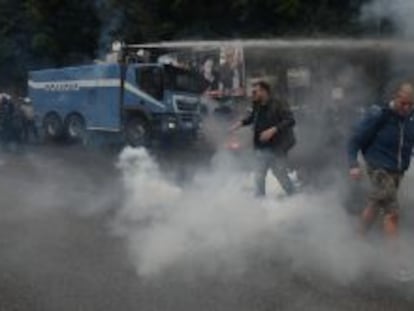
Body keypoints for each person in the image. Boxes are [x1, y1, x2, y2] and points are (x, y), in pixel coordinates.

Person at [348, 83, 414, 281]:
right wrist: (353, 164)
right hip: (378, 168)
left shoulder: (410, 119)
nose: (407, 108)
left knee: (375, 204)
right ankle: (395, 264)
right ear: (396, 97)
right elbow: (355, 140)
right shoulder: (379, 115)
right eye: (404, 103)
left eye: (411, 105)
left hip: (397, 170)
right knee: (392, 213)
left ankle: (357, 238)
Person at [230, 80, 296, 197]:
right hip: (262, 147)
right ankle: (259, 203)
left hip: (277, 146)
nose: (252, 94)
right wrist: (240, 123)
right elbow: (252, 117)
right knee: (259, 175)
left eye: (255, 91)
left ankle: (294, 195)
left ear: (264, 92)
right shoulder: (257, 104)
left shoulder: (278, 103)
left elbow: (290, 120)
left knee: (279, 173)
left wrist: (273, 130)